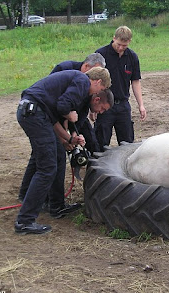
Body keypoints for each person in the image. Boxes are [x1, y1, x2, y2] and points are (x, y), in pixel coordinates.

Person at [15, 67, 113, 235]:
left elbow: (53, 120)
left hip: (35, 113)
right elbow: (62, 106)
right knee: (47, 168)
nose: (98, 93)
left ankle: (56, 206)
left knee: (59, 157)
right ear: (97, 82)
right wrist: (70, 115)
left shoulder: (77, 86)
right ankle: (25, 220)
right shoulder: (82, 81)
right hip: (33, 113)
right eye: (102, 89)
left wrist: (68, 139)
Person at [17, 54, 106, 204]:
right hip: (42, 115)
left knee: (48, 156)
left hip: (47, 115)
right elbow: (56, 105)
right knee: (49, 160)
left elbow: (77, 116)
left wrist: (71, 136)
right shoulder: (73, 74)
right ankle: (46, 203)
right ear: (87, 68)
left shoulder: (84, 86)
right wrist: (64, 137)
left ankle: (38, 199)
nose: (97, 92)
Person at [95, 26, 147, 152]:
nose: (120, 48)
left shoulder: (132, 57)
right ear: (114, 38)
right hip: (104, 105)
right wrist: (93, 107)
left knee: (127, 144)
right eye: (118, 44)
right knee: (100, 143)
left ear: (129, 41)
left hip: (123, 105)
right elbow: (93, 81)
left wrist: (141, 105)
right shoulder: (101, 54)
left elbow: (135, 81)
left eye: (124, 45)